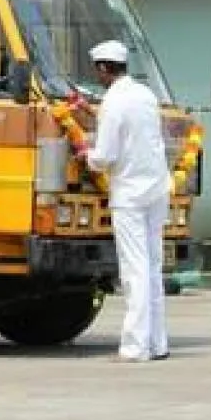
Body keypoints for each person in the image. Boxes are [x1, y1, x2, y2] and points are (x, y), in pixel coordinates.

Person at [85, 40, 171, 362]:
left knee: (134, 269)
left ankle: (135, 346)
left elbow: (105, 156)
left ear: (104, 68)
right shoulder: (145, 94)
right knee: (152, 267)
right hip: (156, 188)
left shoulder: (113, 102)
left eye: (98, 70)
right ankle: (157, 343)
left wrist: (86, 154)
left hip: (130, 194)